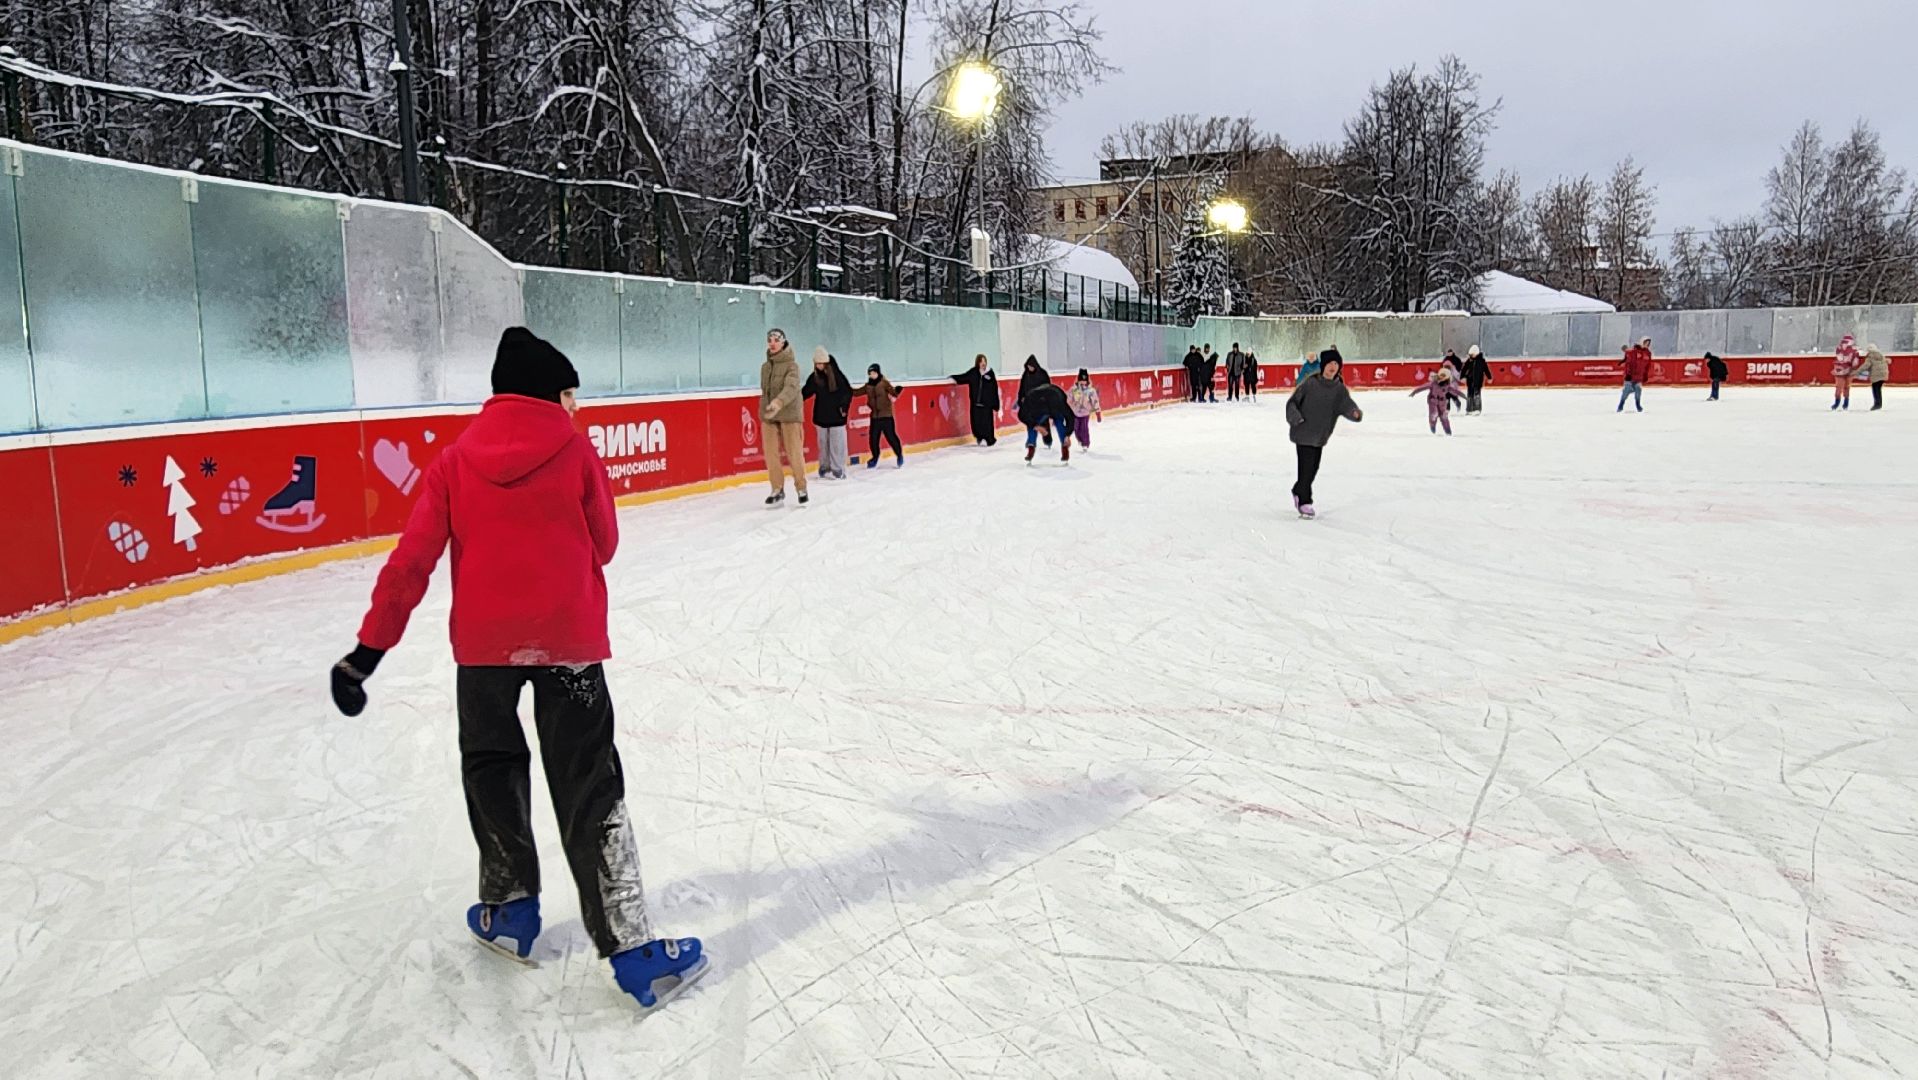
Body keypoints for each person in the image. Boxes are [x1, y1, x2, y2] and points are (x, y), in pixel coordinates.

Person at [328, 327, 705, 1013]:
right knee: (590, 786)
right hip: (567, 644)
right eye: (569, 394)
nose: (575, 408)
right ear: (547, 393)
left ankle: (509, 912)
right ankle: (632, 951)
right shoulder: (576, 450)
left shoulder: (453, 462)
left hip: (483, 651)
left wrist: (367, 654)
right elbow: (608, 543)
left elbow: (409, 563)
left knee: (492, 767)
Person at [1285, 352, 1362, 518]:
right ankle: (1305, 501)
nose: (1332, 367)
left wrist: (1354, 412)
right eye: (1330, 364)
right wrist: (1295, 418)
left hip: (1320, 435)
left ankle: (1298, 490)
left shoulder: (1339, 389)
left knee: (1313, 469)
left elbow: (1346, 405)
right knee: (1305, 469)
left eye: (1336, 364)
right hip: (1304, 431)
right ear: (1323, 365)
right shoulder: (1310, 384)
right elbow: (1292, 402)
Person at [760, 329, 809, 506]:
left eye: (776, 340)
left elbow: (792, 387)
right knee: (771, 453)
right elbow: (764, 391)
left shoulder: (792, 366)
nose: (772, 343)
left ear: (783, 343)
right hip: (769, 415)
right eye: (769, 340)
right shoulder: (765, 367)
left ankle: (801, 486)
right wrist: (767, 408)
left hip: (789, 413)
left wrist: (779, 402)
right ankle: (777, 489)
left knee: (794, 452)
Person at [803, 348, 853, 479]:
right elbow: (806, 392)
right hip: (821, 416)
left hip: (837, 416)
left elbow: (847, 392)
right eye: (817, 363)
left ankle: (838, 469)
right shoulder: (815, 377)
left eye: (821, 363)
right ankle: (824, 467)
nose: (819, 366)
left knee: (837, 445)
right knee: (823, 444)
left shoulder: (837, 376)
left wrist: (843, 408)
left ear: (826, 362)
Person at [852, 362, 905, 467]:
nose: (872, 375)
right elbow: (857, 392)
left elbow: (893, 392)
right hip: (875, 417)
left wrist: (898, 390)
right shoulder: (868, 386)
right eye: (870, 373)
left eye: (874, 373)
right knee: (873, 439)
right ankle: (875, 457)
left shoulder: (884, 383)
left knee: (891, 437)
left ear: (878, 373)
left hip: (886, 416)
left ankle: (899, 455)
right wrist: (846, 389)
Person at [1019, 379, 1075, 465]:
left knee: (1059, 421)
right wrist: (1036, 426)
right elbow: (1022, 415)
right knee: (1031, 424)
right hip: (1040, 408)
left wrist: (1067, 435)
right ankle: (1031, 447)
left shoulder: (1059, 402)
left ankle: (1065, 447)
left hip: (1054, 403)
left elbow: (1070, 417)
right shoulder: (1030, 399)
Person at [950, 354, 1001, 445]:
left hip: (986, 405)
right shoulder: (973, 372)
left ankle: (989, 440)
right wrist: (953, 378)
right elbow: (964, 377)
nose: (983, 363)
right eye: (981, 361)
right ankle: (980, 437)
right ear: (978, 362)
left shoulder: (990, 374)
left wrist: (995, 403)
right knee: (976, 423)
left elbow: (994, 389)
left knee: (987, 423)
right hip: (976, 404)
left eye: (984, 361)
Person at [1411, 363, 1464, 435]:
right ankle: (1432, 426)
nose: (1441, 377)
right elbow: (1423, 387)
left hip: (1442, 402)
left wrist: (1463, 396)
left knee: (1444, 417)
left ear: (1447, 377)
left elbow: (1455, 391)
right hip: (1433, 401)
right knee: (1434, 414)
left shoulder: (1447, 385)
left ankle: (1448, 431)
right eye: (1441, 375)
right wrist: (1415, 392)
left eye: (1444, 376)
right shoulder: (1433, 383)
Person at [1017, 356, 1055, 445]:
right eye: (1028, 367)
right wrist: (1021, 399)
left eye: (1031, 366)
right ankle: (1031, 441)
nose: (1029, 368)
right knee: (1030, 421)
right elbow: (1022, 388)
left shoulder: (1042, 374)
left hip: (1041, 404)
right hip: (1029, 403)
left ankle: (1047, 440)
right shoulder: (1026, 375)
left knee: (1044, 422)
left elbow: (1048, 388)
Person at [1067, 368, 1103, 449]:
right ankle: (1079, 439)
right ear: (1078, 380)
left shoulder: (1091, 391)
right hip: (1075, 412)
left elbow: (1095, 402)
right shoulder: (1074, 389)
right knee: (1076, 428)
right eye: (1081, 380)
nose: (1083, 382)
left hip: (1085, 413)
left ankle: (1085, 443)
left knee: (1084, 429)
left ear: (1087, 380)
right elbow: (1069, 398)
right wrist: (1068, 404)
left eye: (1084, 380)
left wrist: (1098, 413)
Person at [1618, 338, 1651, 413]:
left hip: (1639, 377)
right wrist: (1628, 373)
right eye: (1646, 343)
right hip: (1630, 376)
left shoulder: (1648, 354)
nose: (1647, 345)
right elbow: (1629, 361)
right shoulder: (1634, 351)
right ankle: (1621, 405)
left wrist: (1645, 375)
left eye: (1648, 344)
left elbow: (1647, 366)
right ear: (1642, 342)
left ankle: (1638, 405)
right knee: (1626, 390)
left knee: (1638, 390)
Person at [1832, 334, 1862, 411]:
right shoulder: (1854, 351)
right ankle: (1846, 403)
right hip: (1850, 370)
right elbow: (1855, 363)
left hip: (1839, 370)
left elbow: (1839, 357)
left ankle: (1836, 403)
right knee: (1847, 387)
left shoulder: (1839, 348)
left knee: (1839, 387)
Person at [1462, 345, 1492, 414]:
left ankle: (1477, 409)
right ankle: (1469, 409)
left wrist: (1489, 377)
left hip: (1478, 381)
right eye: (1470, 355)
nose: (1471, 356)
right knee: (1470, 395)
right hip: (1470, 380)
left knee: (1477, 395)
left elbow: (1486, 370)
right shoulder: (1469, 361)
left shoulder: (1481, 361)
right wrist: (1462, 377)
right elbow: (1464, 369)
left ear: (1476, 353)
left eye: (1472, 354)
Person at [1863, 342, 1888, 410]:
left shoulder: (1870, 356)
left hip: (1876, 375)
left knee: (1875, 389)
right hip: (1883, 375)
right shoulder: (1881, 355)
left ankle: (1876, 405)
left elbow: (1866, 366)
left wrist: (1856, 372)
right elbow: (1887, 361)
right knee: (1878, 389)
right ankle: (1879, 404)